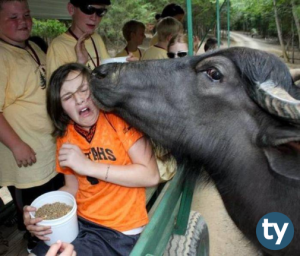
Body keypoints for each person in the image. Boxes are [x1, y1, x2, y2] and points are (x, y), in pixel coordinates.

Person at [24, 63, 160, 256]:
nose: (79, 99)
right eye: (68, 97)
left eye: (83, 89)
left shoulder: (120, 119)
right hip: (78, 222)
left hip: (119, 229)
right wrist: (38, 214)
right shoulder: (66, 136)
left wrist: (87, 166)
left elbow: (151, 175)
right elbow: (72, 187)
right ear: (61, 108)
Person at [0, 0, 63, 251]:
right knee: (35, 215)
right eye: (13, 17)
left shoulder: (34, 47)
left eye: (26, 15)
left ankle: (59, 243)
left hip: (49, 149)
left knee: (56, 206)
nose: (23, 21)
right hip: (26, 159)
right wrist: (16, 146)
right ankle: (35, 247)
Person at [46, 0, 111, 80]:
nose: (94, 18)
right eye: (88, 9)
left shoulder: (96, 38)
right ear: (71, 9)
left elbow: (109, 71)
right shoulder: (57, 46)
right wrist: (79, 64)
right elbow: (55, 90)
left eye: (100, 12)